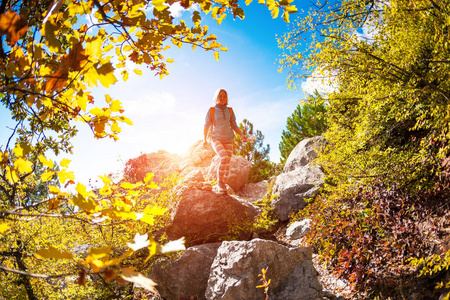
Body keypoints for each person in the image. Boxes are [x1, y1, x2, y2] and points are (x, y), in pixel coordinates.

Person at [204, 88, 247, 194]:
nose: (222, 98)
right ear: (216, 97)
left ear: (226, 98)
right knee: (223, 157)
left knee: (227, 162)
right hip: (216, 138)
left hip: (228, 139)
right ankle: (220, 182)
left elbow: (234, 125)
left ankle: (223, 184)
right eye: (220, 96)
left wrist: (242, 135)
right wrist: (205, 139)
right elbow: (206, 125)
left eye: (224, 96)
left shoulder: (230, 110)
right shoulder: (212, 110)